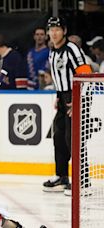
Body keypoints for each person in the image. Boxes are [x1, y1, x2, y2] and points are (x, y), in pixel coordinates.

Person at [43, 17, 92, 195]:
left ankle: (83, 182)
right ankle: (62, 176)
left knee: (75, 140)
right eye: (51, 30)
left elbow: (85, 74)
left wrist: (78, 101)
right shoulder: (52, 51)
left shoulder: (72, 49)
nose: (54, 33)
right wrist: (58, 96)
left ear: (64, 31)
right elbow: (58, 77)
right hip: (64, 98)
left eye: (57, 29)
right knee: (59, 137)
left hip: (77, 96)